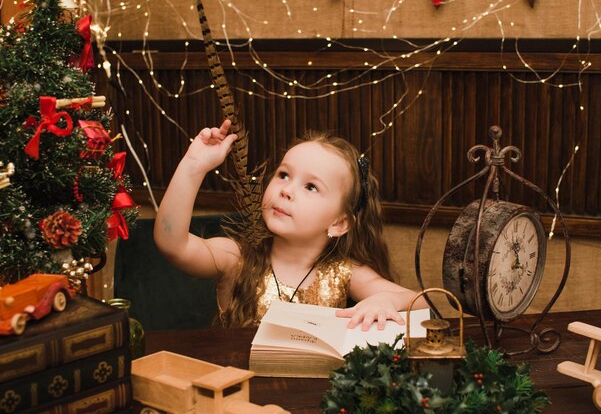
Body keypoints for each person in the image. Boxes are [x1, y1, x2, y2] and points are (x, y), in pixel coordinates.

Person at [154, 119, 426, 330]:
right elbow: (172, 245)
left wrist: (388, 300)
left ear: (340, 223)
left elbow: (431, 302)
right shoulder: (236, 258)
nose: (286, 191)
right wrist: (193, 165)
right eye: (284, 175)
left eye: (310, 186)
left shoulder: (345, 273)